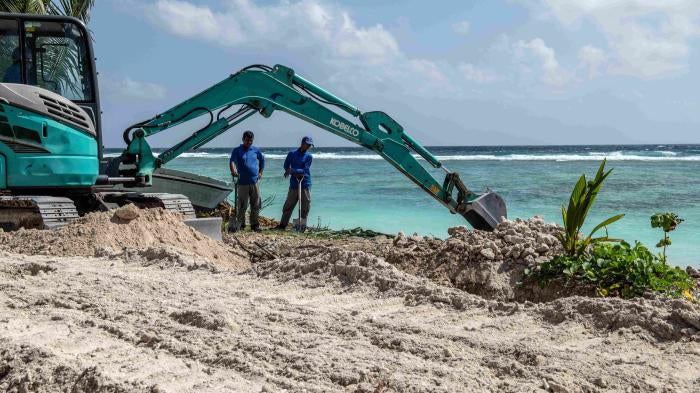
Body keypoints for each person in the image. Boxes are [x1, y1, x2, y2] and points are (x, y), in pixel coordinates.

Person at [229, 130, 265, 232]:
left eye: (251, 140)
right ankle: (241, 224)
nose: (249, 142)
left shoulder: (255, 150)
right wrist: (233, 170)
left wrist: (261, 173)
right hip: (242, 182)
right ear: (243, 139)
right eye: (247, 140)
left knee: (256, 204)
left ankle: (254, 225)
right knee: (242, 205)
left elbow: (262, 160)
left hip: (254, 182)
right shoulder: (237, 150)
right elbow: (232, 161)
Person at [277, 136, 314, 231]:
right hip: (294, 184)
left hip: (305, 183)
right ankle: (282, 225)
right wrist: (290, 171)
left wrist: (292, 170)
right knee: (288, 206)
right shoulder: (292, 154)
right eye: (307, 144)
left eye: (310, 145)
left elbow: (305, 170)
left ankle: (301, 227)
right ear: (302, 143)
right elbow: (286, 165)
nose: (308, 146)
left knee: (305, 207)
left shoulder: (309, 157)